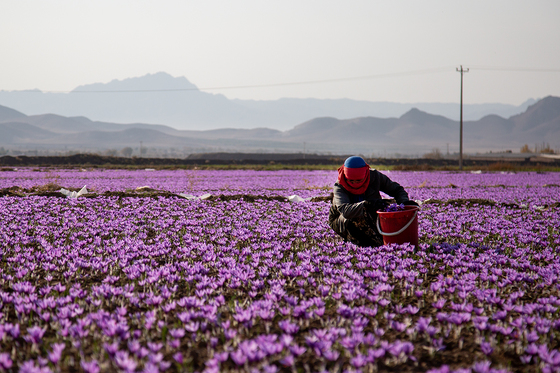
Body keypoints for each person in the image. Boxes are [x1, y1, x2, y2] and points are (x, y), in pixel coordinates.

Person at [328, 156, 418, 247]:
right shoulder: (340, 185)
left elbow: (397, 190)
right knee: (363, 235)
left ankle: (376, 239)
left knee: (390, 208)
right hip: (342, 220)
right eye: (351, 181)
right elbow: (346, 211)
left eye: (359, 180)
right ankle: (356, 240)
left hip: (370, 215)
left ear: (365, 174)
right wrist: (366, 204)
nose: (355, 184)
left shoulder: (374, 177)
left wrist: (404, 202)